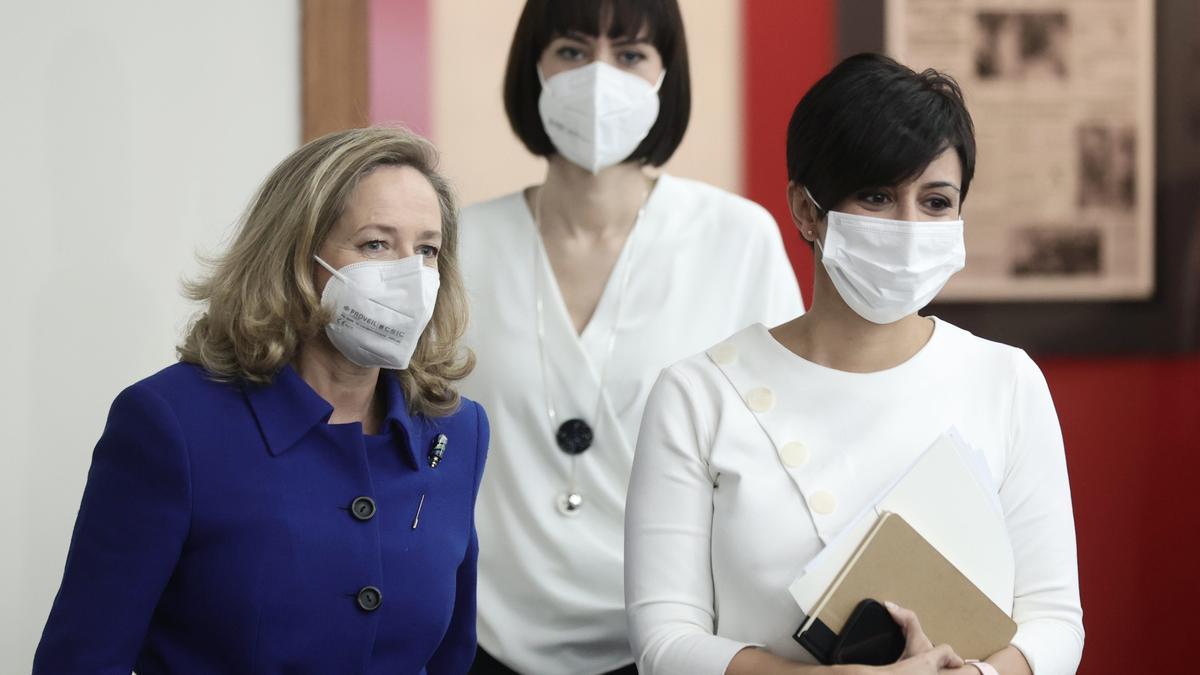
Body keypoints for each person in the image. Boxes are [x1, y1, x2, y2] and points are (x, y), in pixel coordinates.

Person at [625, 54, 1084, 675]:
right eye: (876, 196)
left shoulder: (1007, 381)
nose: (908, 225)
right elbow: (664, 640)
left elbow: (1054, 622)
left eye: (936, 201)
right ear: (807, 210)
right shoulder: (698, 395)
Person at [34, 127, 488, 674]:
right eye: (375, 243)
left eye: (426, 250)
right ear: (296, 254)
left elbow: (451, 657)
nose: (408, 275)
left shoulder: (455, 431)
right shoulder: (171, 423)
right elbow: (83, 661)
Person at [458, 1, 804, 673]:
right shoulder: (458, 243)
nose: (598, 77)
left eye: (630, 55)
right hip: (481, 638)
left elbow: (784, 451)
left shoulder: (736, 238)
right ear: (531, 68)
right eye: (570, 51)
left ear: (664, 77)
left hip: (671, 641)